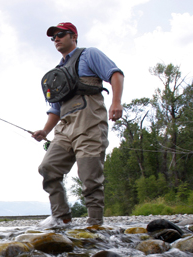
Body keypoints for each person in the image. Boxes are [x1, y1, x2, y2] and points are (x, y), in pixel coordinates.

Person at [32, 22, 124, 227]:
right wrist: (44, 131)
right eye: (53, 37)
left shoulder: (89, 54)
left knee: (89, 175)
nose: (56, 39)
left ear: (74, 36)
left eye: (61, 34)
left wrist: (116, 102)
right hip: (64, 129)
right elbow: (55, 108)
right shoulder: (56, 73)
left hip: (90, 123)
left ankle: (94, 225)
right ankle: (61, 217)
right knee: (48, 168)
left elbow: (116, 74)